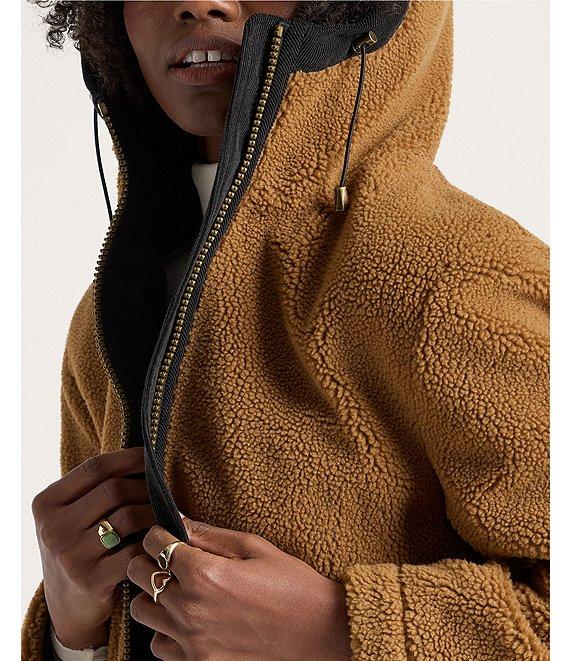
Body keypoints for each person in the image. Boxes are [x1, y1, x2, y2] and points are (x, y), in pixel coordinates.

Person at [22, 1, 550, 660]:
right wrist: (71, 629)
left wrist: (336, 628)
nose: (199, 1)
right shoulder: (111, 311)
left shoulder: (450, 273)